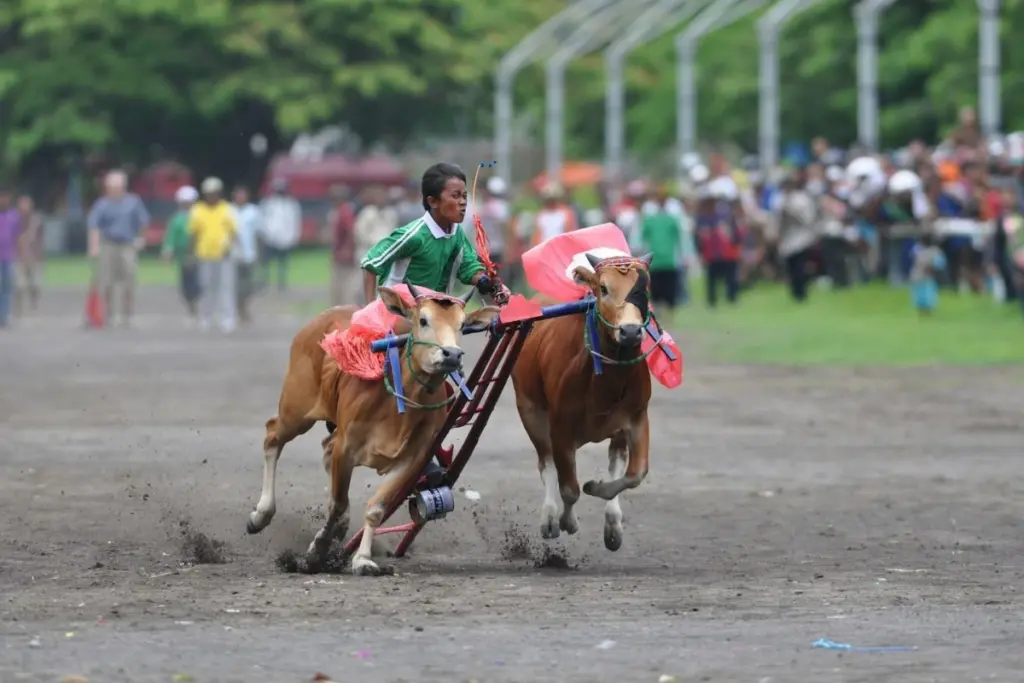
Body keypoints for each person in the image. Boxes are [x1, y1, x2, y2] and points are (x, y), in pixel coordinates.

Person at [361, 162, 509, 303]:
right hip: (398, 317)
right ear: (433, 202)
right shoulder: (414, 235)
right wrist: (370, 312)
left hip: (432, 317)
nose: (463, 202)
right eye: (455, 196)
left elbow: (469, 268)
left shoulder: (457, 234)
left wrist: (490, 284)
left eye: (464, 196)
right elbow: (370, 263)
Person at [86, 169, 150, 327]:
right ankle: (109, 314)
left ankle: (127, 314)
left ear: (123, 186)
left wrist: (141, 239)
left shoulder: (133, 202)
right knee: (105, 281)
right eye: (110, 186)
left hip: (127, 244)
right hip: (108, 244)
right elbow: (94, 226)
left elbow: (144, 221)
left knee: (129, 278)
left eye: (116, 186)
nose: (112, 189)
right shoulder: (102, 204)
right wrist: (94, 246)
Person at [189, 177, 237, 333]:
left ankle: (227, 318)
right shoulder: (198, 210)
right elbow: (193, 233)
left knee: (225, 287)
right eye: (209, 193)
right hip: (204, 254)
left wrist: (231, 247)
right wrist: (191, 253)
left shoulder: (226, 209)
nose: (211, 196)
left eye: (214, 193)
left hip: (224, 255)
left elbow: (233, 232)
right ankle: (206, 317)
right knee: (206, 287)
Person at [637, 186, 684, 312]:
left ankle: (669, 313)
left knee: (670, 290)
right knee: (656, 290)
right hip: (655, 260)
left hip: (669, 260)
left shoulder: (673, 217)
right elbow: (642, 236)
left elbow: (681, 237)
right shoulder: (650, 218)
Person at [776, 170, 819, 303]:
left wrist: (793, 214)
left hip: (801, 237)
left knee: (800, 267)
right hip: (788, 238)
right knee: (791, 268)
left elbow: (808, 219)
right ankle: (794, 293)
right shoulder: (781, 199)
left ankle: (802, 293)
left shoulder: (802, 199)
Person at [161, 185, 201, 325]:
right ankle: (191, 308)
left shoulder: (200, 215)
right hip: (183, 256)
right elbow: (170, 237)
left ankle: (201, 308)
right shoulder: (177, 218)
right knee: (186, 284)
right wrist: (168, 251)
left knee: (200, 281)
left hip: (201, 254)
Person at [258, 178, 302, 292]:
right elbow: (262, 219)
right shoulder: (268, 203)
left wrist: (294, 236)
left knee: (282, 263)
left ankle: (281, 284)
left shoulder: (291, 204)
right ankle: (265, 283)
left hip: (285, 238)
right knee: (266, 263)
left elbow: (295, 221)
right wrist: (265, 233)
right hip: (270, 237)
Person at [231, 185, 261, 324]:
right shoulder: (229, 211)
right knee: (235, 284)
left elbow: (257, 234)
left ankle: (244, 306)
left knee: (248, 285)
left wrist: (258, 253)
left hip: (249, 254)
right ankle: (238, 309)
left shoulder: (253, 212)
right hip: (233, 255)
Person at [327, 185, 357, 306]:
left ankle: (343, 312)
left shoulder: (345, 212)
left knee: (343, 287)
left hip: (344, 256)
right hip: (340, 254)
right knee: (339, 287)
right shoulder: (341, 211)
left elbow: (351, 231)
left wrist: (347, 249)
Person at [14, 194, 43, 317]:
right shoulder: (15, 220)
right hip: (18, 257)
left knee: (35, 284)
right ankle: (17, 309)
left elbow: (40, 239)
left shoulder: (36, 220)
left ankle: (34, 303)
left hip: (34, 257)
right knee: (19, 285)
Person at [909, 232, 947, 315]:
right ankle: (925, 308)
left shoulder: (919, 249)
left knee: (924, 292)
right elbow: (940, 264)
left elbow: (939, 264)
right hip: (923, 275)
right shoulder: (933, 251)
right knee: (925, 292)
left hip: (922, 275)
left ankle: (924, 308)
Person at [0, 187, 19, 329]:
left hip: (8, 256)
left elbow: (16, 235)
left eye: (5, 197)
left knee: (7, 287)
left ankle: (4, 316)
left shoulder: (13, 216)